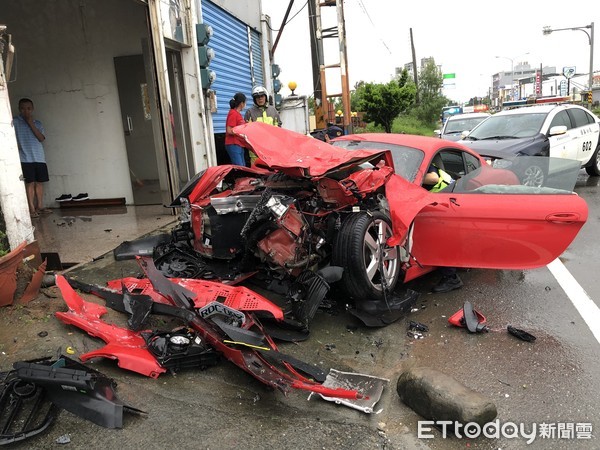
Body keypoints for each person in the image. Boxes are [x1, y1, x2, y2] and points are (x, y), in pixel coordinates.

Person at [422, 161, 463, 293]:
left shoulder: (421, 161)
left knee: (440, 239)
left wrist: (405, 175)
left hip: (447, 203)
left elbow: (433, 178)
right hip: (437, 203)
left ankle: (451, 278)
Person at [13, 98, 51, 218]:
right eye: (23, 108)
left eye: (29, 108)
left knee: (39, 183)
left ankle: (40, 206)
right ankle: (31, 208)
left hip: (39, 157)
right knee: (30, 183)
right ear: (19, 109)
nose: (26, 111)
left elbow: (41, 138)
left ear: (32, 109)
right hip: (25, 158)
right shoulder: (15, 122)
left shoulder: (38, 123)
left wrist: (30, 123)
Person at [225, 92, 248, 167]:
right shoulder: (233, 113)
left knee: (243, 167)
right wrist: (240, 133)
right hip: (233, 144)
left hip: (239, 144)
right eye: (245, 103)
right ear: (242, 103)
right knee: (240, 167)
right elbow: (229, 130)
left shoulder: (238, 114)